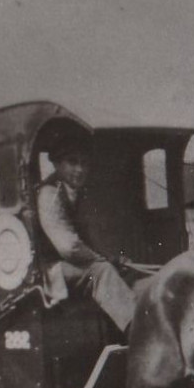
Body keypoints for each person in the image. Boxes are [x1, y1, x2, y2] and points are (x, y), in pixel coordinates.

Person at [35, 137, 138, 334]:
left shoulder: (73, 194)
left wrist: (111, 258)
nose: (80, 170)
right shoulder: (50, 194)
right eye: (72, 162)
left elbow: (84, 242)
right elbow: (69, 247)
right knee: (101, 272)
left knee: (119, 270)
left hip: (69, 265)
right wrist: (100, 260)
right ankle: (138, 331)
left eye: (84, 163)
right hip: (52, 270)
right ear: (57, 164)